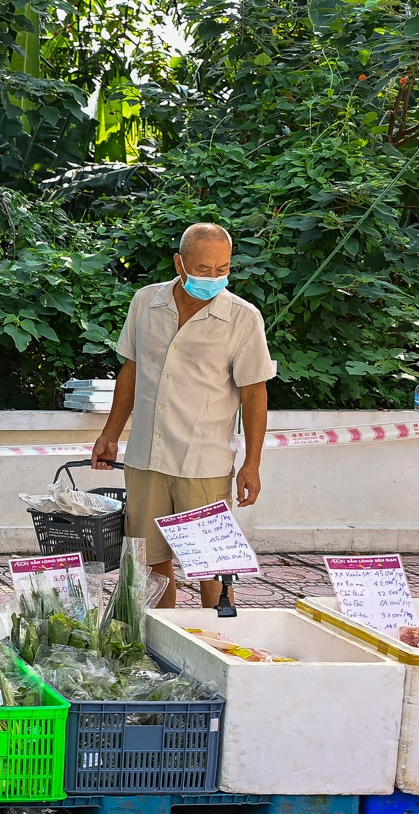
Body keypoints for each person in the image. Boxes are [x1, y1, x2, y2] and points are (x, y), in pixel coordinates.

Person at [90, 222, 274, 607]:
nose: (213, 277)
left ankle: (217, 648)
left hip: (203, 461)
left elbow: (254, 393)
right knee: (151, 562)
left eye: (222, 269)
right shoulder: (146, 302)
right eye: (203, 269)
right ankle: (161, 643)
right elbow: (131, 371)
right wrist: (110, 435)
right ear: (179, 263)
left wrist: (251, 463)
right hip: (146, 456)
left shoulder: (243, 317)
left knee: (210, 564)